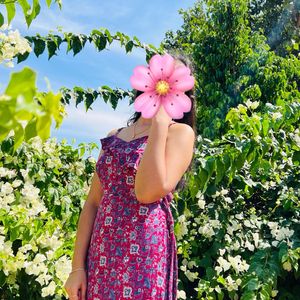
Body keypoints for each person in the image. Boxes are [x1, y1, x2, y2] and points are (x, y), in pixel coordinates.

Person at [64, 53, 197, 300]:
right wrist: (77, 268)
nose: (164, 85)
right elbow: (93, 203)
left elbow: (147, 192)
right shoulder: (114, 136)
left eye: (173, 80)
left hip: (145, 250)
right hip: (102, 250)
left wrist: (159, 123)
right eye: (160, 74)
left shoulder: (179, 133)